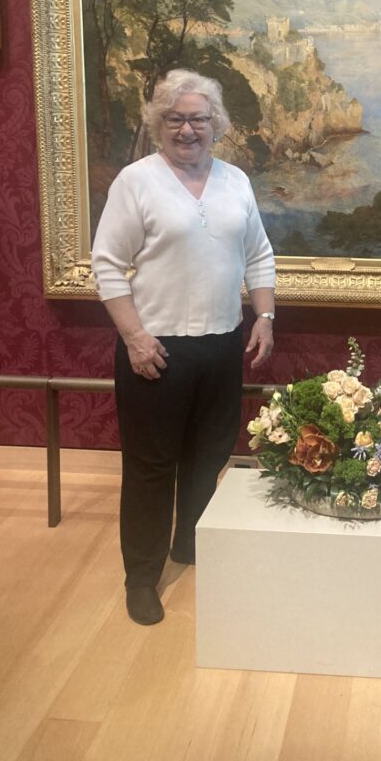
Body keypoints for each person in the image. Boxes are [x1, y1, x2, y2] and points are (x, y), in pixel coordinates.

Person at [92, 69, 276, 626]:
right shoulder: (136, 181)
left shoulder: (235, 181)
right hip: (155, 350)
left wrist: (265, 316)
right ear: (158, 124)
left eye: (198, 118)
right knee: (151, 467)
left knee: (209, 456)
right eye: (175, 119)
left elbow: (259, 255)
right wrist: (134, 337)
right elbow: (107, 265)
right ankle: (142, 578)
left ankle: (189, 543)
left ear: (216, 124)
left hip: (221, 345)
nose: (187, 129)